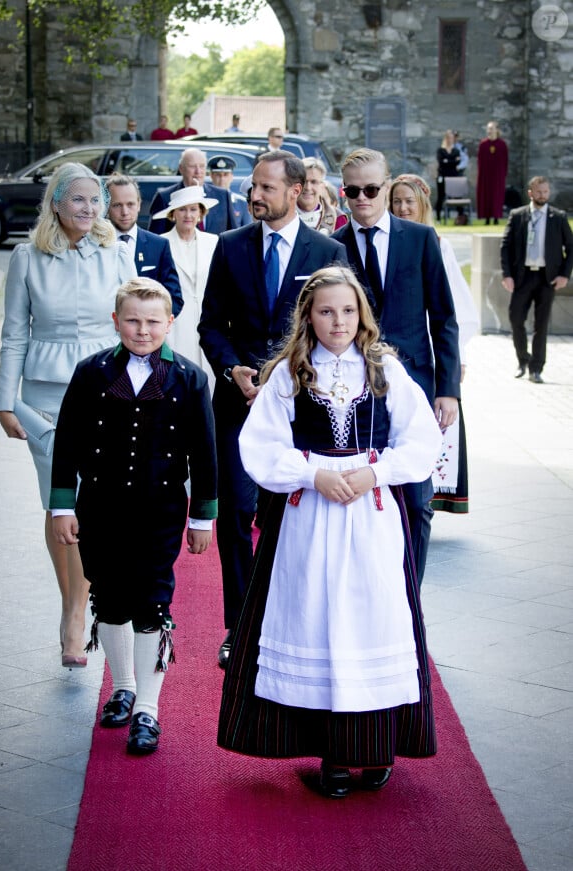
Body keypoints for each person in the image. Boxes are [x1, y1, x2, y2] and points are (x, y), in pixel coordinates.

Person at [217, 266, 442, 797]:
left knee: (372, 621)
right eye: (325, 311)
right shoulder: (290, 372)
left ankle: (377, 748)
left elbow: (422, 440)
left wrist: (375, 472)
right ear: (308, 317)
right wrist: (312, 474)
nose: (338, 321)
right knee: (316, 621)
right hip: (309, 517)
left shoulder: (383, 368)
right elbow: (260, 448)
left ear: (361, 313)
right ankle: (334, 757)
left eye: (347, 310)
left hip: (371, 516)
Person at [50, 278, 218, 755]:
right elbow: (68, 442)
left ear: (169, 322)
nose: (142, 330)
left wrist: (202, 517)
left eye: (152, 321)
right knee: (111, 596)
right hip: (100, 507)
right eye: (132, 320)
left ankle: (148, 707)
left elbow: (204, 455)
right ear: (115, 321)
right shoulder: (91, 372)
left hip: (159, 509)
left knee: (151, 604)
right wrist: (63, 505)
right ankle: (122, 685)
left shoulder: (189, 378)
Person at [198, 149, 347, 668]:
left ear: (296, 189)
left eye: (264, 187)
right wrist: (232, 368)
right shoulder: (230, 247)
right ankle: (239, 627)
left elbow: (337, 333)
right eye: (252, 187)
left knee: (286, 517)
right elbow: (209, 325)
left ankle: (288, 623)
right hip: (237, 407)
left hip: (301, 411)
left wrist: (293, 377)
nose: (253, 195)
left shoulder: (327, 251)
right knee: (236, 514)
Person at [0, 162, 136, 667]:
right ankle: (72, 614)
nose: (89, 209)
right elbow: (14, 332)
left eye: (95, 200)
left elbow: (135, 327)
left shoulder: (118, 253)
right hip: (44, 401)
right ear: (55, 203)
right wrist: (3, 400)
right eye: (78, 199)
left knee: (95, 507)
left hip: (107, 393)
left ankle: (82, 605)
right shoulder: (27, 257)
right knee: (61, 505)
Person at [332, 148, 461, 585]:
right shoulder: (334, 247)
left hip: (417, 385)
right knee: (364, 499)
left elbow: (443, 317)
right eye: (353, 191)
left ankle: (411, 603)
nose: (362, 198)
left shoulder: (420, 239)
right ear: (343, 192)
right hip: (352, 391)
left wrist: (448, 388)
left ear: (387, 186)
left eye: (371, 189)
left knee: (417, 500)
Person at [389, 173, 480, 513]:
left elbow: (451, 309)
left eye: (409, 201)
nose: (403, 207)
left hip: (427, 356)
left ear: (422, 205)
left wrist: (454, 362)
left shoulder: (434, 243)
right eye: (397, 201)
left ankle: (425, 497)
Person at [501, 175, 573, 383]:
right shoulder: (518, 216)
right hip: (523, 276)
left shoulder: (558, 217)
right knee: (516, 319)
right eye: (539, 192)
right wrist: (507, 275)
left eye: (546, 192)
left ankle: (536, 368)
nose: (543, 196)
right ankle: (522, 359)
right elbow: (505, 246)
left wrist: (563, 275)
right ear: (530, 193)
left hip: (547, 278)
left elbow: (571, 247)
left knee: (541, 325)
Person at [153, 185, 219, 389]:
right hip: (177, 325)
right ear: (173, 214)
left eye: (193, 209)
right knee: (178, 380)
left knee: (209, 382)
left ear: (201, 212)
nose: (188, 215)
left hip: (207, 321)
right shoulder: (161, 243)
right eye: (182, 209)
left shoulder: (214, 242)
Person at [105, 173, 183, 317]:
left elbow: (174, 298)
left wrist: (150, 323)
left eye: (130, 204)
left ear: (139, 204)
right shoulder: (97, 246)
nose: (125, 212)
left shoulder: (159, 245)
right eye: (117, 205)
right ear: (106, 207)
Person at [147, 147, 236, 236]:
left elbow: (232, 234)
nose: (198, 171)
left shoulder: (222, 195)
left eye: (202, 166)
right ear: (181, 169)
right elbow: (155, 238)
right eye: (192, 166)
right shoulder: (164, 197)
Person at [296, 156, 348, 235]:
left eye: (314, 182)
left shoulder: (338, 218)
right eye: (304, 182)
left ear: (322, 186)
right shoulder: (282, 214)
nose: (308, 187)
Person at [207, 154, 253, 227]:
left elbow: (247, 229)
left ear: (231, 176)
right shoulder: (205, 201)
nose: (222, 179)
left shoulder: (242, 203)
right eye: (218, 175)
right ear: (211, 176)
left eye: (225, 175)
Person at [476, 120, 508, 225]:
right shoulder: (483, 144)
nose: (489, 131)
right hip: (486, 176)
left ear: (496, 130)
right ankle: (487, 218)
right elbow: (480, 161)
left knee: (496, 196)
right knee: (486, 196)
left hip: (497, 175)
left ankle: (496, 217)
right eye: (488, 128)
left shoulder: (502, 145)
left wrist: (503, 174)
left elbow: (505, 161)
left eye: (491, 128)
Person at [435, 129, 460, 222]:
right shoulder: (440, 150)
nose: (450, 140)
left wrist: (447, 161)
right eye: (448, 138)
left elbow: (457, 162)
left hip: (453, 177)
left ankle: (460, 218)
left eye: (452, 138)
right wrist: (452, 161)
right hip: (442, 176)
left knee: (457, 197)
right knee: (441, 197)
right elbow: (441, 162)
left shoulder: (456, 150)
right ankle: (438, 217)